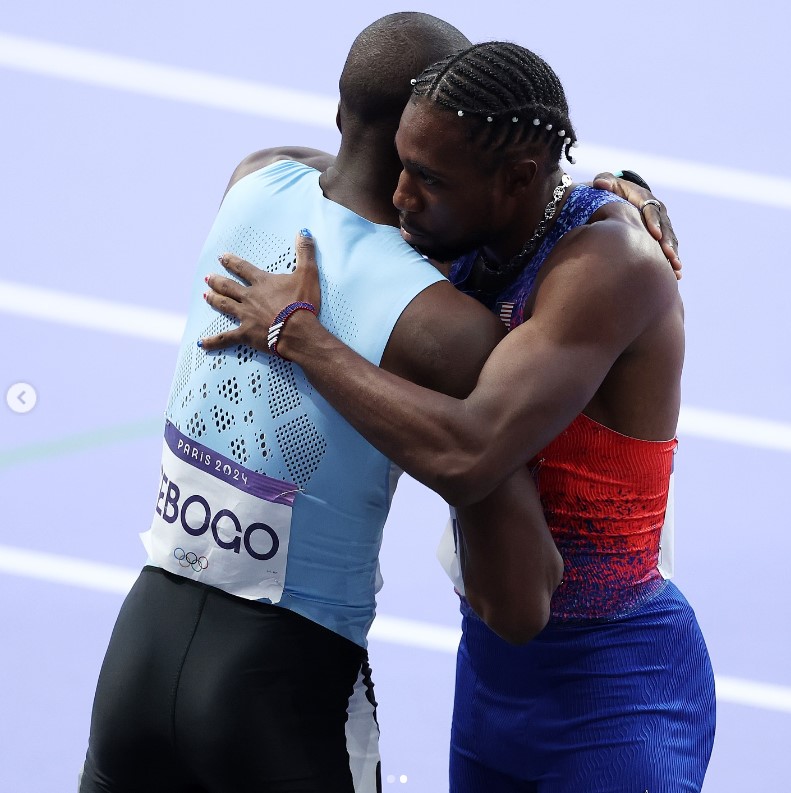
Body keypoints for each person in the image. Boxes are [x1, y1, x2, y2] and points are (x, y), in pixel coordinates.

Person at [78, 15, 576, 793]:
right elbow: (516, 603)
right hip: (283, 687)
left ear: (344, 110)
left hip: (137, 653)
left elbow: (327, 188)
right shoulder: (442, 327)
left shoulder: (253, 177)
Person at [201, 41, 715, 792]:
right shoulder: (465, 223)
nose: (399, 195)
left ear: (516, 179)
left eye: (426, 179)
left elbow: (471, 454)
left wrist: (301, 336)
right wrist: (629, 179)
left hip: (617, 687)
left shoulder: (609, 268)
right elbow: (302, 166)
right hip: (490, 674)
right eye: (400, 164)